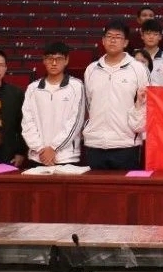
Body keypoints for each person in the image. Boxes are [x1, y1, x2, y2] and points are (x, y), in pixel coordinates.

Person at [82, 21, 149, 171]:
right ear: (103, 40)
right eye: (109, 36)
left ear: (125, 42)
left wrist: (136, 129)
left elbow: (145, 105)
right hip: (95, 144)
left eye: (118, 37)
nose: (113, 40)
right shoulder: (91, 70)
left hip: (126, 144)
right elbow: (89, 103)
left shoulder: (138, 69)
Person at [21, 42, 85, 167]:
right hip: (38, 156)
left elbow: (76, 122)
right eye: (50, 58)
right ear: (44, 60)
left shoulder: (76, 86)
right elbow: (27, 122)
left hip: (66, 156)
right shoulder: (33, 88)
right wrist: (40, 149)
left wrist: (54, 148)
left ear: (66, 60)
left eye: (59, 59)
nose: (54, 63)